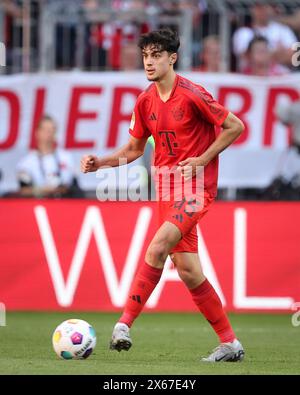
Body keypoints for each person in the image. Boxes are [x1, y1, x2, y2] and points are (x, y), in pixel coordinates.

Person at [81, 28, 245, 362]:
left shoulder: (193, 94)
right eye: (145, 56)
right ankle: (230, 343)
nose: (149, 62)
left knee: (157, 247)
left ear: (172, 58)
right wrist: (101, 163)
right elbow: (133, 148)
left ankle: (123, 325)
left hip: (196, 188)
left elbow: (235, 126)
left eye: (156, 55)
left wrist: (201, 159)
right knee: (187, 270)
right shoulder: (145, 101)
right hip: (167, 190)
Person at [17, 115, 82, 198]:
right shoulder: (26, 163)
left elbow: (75, 186)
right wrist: (46, 190)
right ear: (37, 133)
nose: (49, 134)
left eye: (52, 130)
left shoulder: (67, 158)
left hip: (64, 203)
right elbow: (24, 190)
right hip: (38, 205)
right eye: (46, 130)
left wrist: (64, 189)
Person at [233, 1, 297, 72]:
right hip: (251, 78)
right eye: (259, 7)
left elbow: (296, 56)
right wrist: (279, 53)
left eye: (267, 6)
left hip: (281, 77)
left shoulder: (283, 29)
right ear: (252, 9)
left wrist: (261, 55)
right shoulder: (243, 32)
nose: (263, 10)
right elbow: (247, 58)